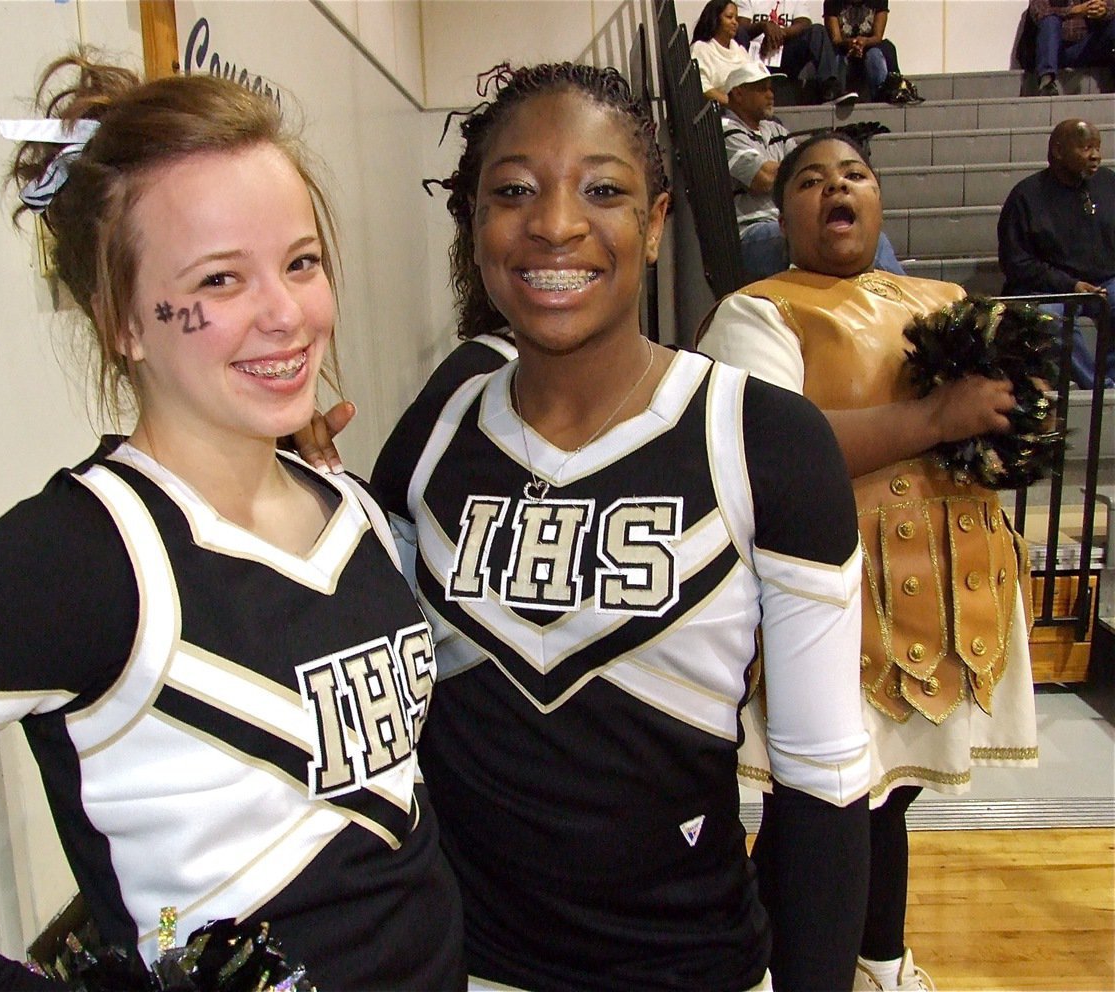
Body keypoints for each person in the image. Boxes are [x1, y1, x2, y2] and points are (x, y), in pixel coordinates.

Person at [0, 52, 464, 991]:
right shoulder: (88, 558)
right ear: (123, 319)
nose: (286, 314)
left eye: (300, 262)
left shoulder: (351, 509)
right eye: (218, 281)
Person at [371, 61, 872, 992]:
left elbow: (823, 785)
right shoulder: (433, 433)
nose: (556, 223)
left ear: (654, 221)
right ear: (474, 222)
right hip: (462, 968)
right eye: (513, 190)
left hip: (694, 970)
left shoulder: (761, 437)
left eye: (604, 189)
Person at [700, 132, 1040, 992]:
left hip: (953, 583)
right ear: (783, 218)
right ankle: (786, 965)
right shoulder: (760, 309)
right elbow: (773, 452)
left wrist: (1005, 428)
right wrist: (937, 419)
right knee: (822, 804)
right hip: (834, 599)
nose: (835, 188)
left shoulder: (941, 298)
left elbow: (1001, 427)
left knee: (889, 797)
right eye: (811, 181)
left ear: (880, 200)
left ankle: (879, 962)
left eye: (853, 174)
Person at [721, 61, 906, 280]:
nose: (771, 94)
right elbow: (763, 177)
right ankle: (912, 306)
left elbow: (800, 170)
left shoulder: (775, 129)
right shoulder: (725, 129)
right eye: (762, 88)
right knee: (866, 243)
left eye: (771, 88)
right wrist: (801, 177)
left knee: (856, 238)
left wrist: (805, 177)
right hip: (752, 234)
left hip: (787, 222)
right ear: (738, 93)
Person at [997, 118, 1114, 388]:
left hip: (1105, 283)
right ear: (1058, 151)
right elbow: (1017, 263)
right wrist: (1070, 285)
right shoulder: (1026, 196)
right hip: (1052, 289)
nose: (1095, 156)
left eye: (1097, 147)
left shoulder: (1108, 183)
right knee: (1049, 317)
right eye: (1086, 148)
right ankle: (1098, 388)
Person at [739, 0, 850, 103]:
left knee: (817, 30)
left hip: (783, 54)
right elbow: (741, 27)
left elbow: (804, 22)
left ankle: (830, 87)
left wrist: (779, 33)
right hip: (755, 56)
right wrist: (763, 26)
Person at [823, 0, 924, 103]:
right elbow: (836, 39)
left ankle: (882, 96)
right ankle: (838, 94)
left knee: (875, 54)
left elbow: (877, 37)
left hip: (869, 49)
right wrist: (851, 43)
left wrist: (863, 42)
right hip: (844, 50)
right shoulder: (832, 2)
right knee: (836, 56)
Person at [1026, 0, 1115, 96]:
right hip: (1054, 52)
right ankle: (1047, 82)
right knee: (1050, 20)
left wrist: (1104, 10)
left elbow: (1111, 5)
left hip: (1085, 48)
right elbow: (1041, 12)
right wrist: (1074, 11)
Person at [692, 0, 760, 105]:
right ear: (715, 19)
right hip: (720, 112)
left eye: (736, 18)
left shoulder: (739, 50)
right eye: (729, 17)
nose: (735, 22)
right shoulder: (701, 48)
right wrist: (734, 106)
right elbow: (703, 88)